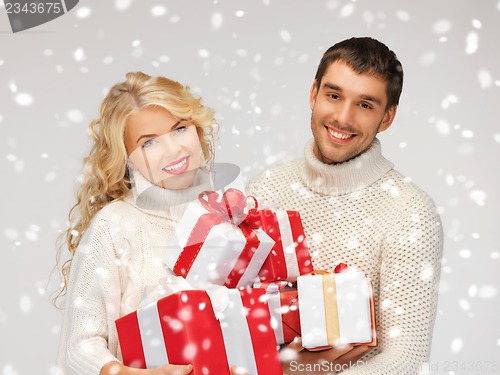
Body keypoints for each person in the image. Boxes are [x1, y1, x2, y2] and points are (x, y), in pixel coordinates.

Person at [247, 37, 443, 374]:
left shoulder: (410, 213)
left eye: (365, 104)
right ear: (313, 94)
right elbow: (235, 318)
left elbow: (406, 358)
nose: (342, 117)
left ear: (387, 117)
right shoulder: (267, 188)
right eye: (333, 95)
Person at [54, 72, 248, 375]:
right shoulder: (114, 226)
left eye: (180, 128)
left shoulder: (232, 213)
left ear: (198, 130)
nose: (173, 150)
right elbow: (78, 348)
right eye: (149, 143)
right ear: (127, 158)